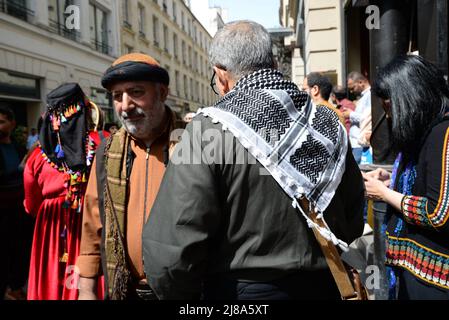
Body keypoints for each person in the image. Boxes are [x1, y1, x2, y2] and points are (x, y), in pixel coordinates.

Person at [143, 20, 365, 300]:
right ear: (272, 62)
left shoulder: (206, 130)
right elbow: (354, 214)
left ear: (221, 76)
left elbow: (170, 252)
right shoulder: (326, 121)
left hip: (240, 295)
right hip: (326, 286)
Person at [76, 53, 182, 300]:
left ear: (162, 93)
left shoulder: (195, 142)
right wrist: (86, 289)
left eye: (136, 92)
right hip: (125, 292)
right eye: (116, 96)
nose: (125, 105)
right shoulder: (107, 151)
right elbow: (92, 223)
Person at [364, 55, 449, 299]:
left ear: (408, 97)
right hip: (414, 269)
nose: (387, 115)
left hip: (435, 281)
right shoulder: (427, 132)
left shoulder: (443, 134)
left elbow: (438, 213)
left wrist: (384, 193)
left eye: (388, 105)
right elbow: (424, 180)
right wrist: (392, 178)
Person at [23, 83, 106, 300]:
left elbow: (31, 205)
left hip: (50, 229)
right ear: (86, 110)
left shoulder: (36, 156)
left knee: (54, 280)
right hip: (91, 224)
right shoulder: (102, 144)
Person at [0, 106, 28, 300]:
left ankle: (16, 287)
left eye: (2, 121)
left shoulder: (19, 148)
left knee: (19, 249)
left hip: (19, 209)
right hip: (1, 211)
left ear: (12, 123)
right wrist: (18, 169)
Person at [342, 71, 372, 164]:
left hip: (360, 143)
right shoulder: (364, 96)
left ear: (361, 82)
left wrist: (350, 114)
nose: (351, 91)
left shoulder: (370, 95)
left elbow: (368, 118)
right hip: (356, 143)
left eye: (352, 88)